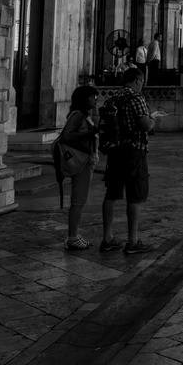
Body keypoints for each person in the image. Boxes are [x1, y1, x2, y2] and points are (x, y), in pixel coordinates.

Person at [100, 67, 157, 255]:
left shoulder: (113, 98)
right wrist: (153, 120)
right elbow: (146, 125)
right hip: (134, 152)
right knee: (135, 195)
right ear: (137, 81)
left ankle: (107, 238)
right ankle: (133, 241)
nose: (142, 86)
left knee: (112, 194)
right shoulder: (136, 99)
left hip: (115, 152)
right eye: (142, 82)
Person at [56, 86, 100, 251]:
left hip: (86, 160)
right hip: (80, 161)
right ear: (84, 99)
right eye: (92, 97)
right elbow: (67, 136)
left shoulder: (85, 115)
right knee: (78, 200)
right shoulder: (77, 116)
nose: (95, 100)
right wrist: (88, 134)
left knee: (80, 199)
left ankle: (75, 234)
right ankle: (72, 236)